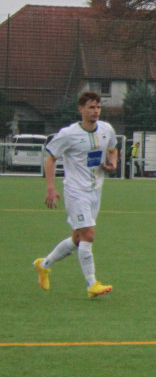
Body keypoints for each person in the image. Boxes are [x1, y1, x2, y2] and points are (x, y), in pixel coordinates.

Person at [33, 90, 120, 298]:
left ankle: (44, 265)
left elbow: (113, 149)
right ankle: (92, 284)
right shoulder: (68, 134)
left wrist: (113, 163)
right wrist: (51, 188)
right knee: (88, 235)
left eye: (98, 107)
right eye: (91, 107)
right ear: (81, 109)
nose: (96, 111)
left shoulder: (106, 129)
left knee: (78, 239)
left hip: (96, 190)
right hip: (75, 191)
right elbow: (50, 158)